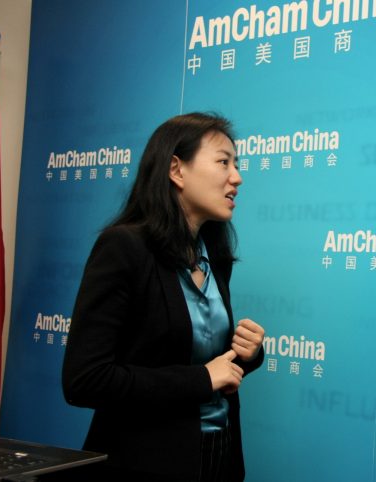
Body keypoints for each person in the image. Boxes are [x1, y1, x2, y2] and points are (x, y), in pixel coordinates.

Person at [62, 113, 265, 481]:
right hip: (146, 460)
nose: (237, 177)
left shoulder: (215, 256)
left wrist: (247, 355)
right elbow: (86, 380)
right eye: (223, 162)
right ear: (176, 170)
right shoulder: (123, 248)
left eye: (236, 165)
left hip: (219, 455)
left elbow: (201, 357)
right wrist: (201, 379)